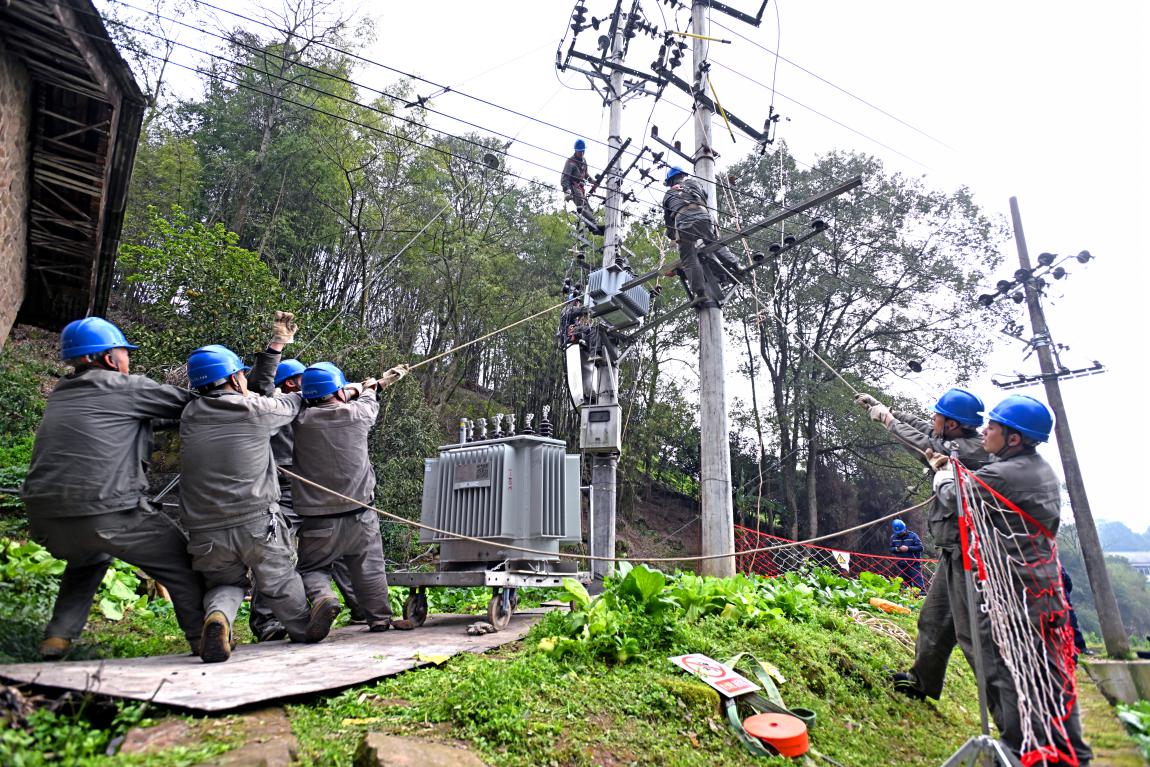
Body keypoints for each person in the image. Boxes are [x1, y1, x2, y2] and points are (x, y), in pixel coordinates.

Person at [20, 317, 206, 659]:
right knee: (183, 564)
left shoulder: (62, 393)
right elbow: (200, 405)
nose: (128, 359)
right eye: (124, 352)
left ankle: (57, 637)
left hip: (44, 516)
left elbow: (131, 420)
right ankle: (202, 639)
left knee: (88, 558)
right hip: (107, 511)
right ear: (108, 358)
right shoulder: (125, 387)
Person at [931, 395, 1092, 765]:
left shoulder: (1005, 474)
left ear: (1014, 439)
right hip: (1042, 588)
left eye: (993, 427)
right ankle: (1071, 753)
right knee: (1049, 673)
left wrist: (941, 470)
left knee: (1008, 668)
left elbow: (954, 495)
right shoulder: (1037, 468)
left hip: (1017, 594)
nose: (985, 431)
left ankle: (1024, 749)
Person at [178, 314, 338, 662]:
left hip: (204, 530)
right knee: (280, 581)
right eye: (241, 373)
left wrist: (275, 349)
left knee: (226, 583)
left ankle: (219, 617)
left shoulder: (189, 413)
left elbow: (255, 390)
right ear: (235, 378)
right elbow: (294, 402)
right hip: (256, 522)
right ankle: (302, 628)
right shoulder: (256, 410)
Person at [855, 387, 991, 701]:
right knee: (932, 619)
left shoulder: (968, 451)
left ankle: (1008, 707)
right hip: (954, 550)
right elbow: (926, 429)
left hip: (973, 555)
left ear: (954, 424)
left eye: (939, 415)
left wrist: (887, 421)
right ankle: (922, 682)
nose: (933, 418)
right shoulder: (955, 437)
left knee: (973, 637)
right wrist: (884, 408)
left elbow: (925, 444)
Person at [246, 353, 364, 641]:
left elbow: (340, 399)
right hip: (283, 492)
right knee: (277, 556)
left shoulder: (311, 405)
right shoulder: (276, 407)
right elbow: (260, 387)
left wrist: (367, 387)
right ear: (289, 384)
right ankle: (268, 622)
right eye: (301, 380)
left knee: (331, 550)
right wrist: (275, 349)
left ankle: (360, 606)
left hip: (312, 491)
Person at [290, 361, 415, 632]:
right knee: (369, 567)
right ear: (338, 390)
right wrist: (376, 384)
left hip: (316, 519)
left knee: (313, 568)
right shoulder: (358, 414)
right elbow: (369, 395)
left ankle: (324, 597)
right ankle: (379, 619)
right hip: (360, 512)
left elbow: (299, 401)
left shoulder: (299, 420)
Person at [661, 166, 746, 308]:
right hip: (703, 217)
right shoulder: (693, 183)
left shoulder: (668, 194)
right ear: (683, 175)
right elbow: (705, 196)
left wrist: (672, 236)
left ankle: (700, 293)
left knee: (688, 257)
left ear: (671, 181)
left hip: (683, 223)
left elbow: (669, 224)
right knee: (713, 243)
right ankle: (737, 265)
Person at [560, 138, 604, 236]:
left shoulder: (583, 161)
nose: (582, 153)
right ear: (575, 150)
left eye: (583, 151)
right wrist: (567, 191)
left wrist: (593, 181)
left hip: (580, 188)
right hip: (573, 187)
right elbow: (564, 178)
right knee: (582, 206)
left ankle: (593, 226)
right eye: (580, 151)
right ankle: (593, 225)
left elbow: (586, 174)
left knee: (588, 207)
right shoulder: (570, 162)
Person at [888, 519, 925, 590]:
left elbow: (920, 548)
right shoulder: (893, 537)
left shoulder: (913, 536)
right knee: (904, 586)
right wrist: (898, 549)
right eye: (898, 533)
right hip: (901, 565)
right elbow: (891, 549)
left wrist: (908, 548)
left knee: (919, 585)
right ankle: (908, 599)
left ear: (905, 528)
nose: (900, 533)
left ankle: (922, 598)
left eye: (901, 531)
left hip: (914, 565)